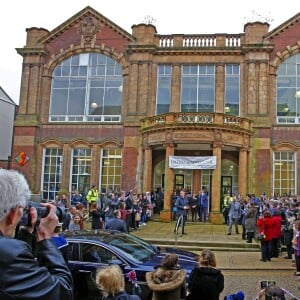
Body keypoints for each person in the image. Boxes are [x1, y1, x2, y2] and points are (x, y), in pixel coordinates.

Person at [0, 169, 73, 299]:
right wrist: (45, 237)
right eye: (22, 209)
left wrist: (27, 232)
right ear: (12, 213)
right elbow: (62, 291)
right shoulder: (9, 255)